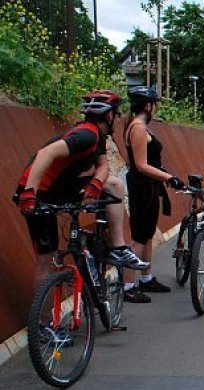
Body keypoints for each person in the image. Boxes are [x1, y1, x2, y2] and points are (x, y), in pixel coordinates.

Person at [14, 90, 149, 284]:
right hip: (37, 193)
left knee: (112, 183)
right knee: (46, 262)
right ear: (109, 115)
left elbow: (103, 166)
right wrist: (29, 192)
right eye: (118, 114)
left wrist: (96, 182)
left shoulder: (99, 137)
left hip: (60, 189)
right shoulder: (86, 134)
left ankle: (117, 247)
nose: (119, 118)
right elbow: (45, 153)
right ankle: (43, 315)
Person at [123, 86, 185, 303]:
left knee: (147, 233)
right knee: (139, 237)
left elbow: (145, 162)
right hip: (142, 186)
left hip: (149, 185)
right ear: (147, 106)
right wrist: (168, 178)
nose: (155, 108)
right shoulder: (138, 128)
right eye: (154, 104)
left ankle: (146, 277)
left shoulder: (141, 127)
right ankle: (128, 285)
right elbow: (139, 165)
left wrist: (163, 174)